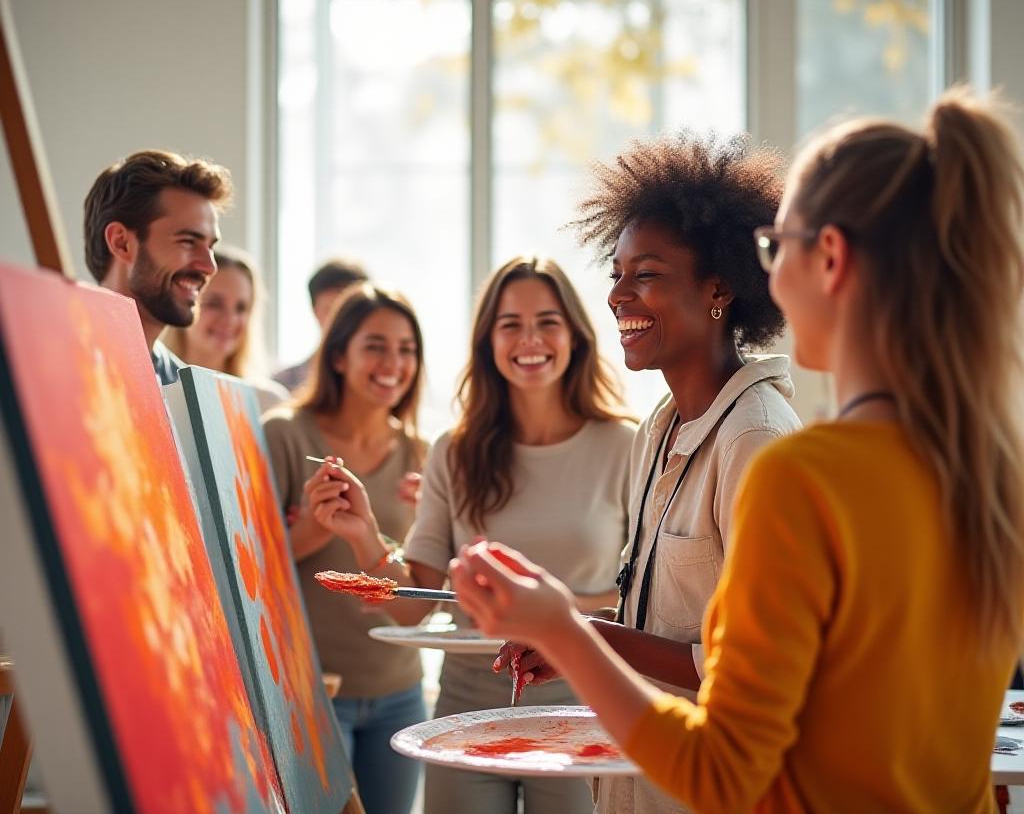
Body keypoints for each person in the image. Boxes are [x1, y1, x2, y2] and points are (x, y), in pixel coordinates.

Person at [450, 89, 1024, 813]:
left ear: (831, 258)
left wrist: (559, 626)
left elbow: (723, 772)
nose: (770, 274)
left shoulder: (799, 473)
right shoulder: (990, 475)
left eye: (774, 247)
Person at [496, 133, 800, 813]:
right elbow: (668, 617)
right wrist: (578, 638)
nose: (617, 296)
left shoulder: (757, 442)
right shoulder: (659, 427)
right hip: (638, 783)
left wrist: (580, 635)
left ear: (720, 286)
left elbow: (745, 667)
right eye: (617, 272)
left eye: (648, 274)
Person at [305, 256, 637, 814]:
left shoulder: (627, 445)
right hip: (466, 712)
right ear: (488, 341)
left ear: (576, 336)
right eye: (510, 324)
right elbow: (415, 606)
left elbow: (640, 595)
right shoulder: (453, 451)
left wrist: (549, 613)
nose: (529, 339)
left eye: (547, 321)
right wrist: (364, 534)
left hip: (582, 704)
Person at [262, 283, 427, 814]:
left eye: (406, 349)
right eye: (375, 345)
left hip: (398, 688)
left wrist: (408, 526)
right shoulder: (285, 435)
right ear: (337, 355)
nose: (393, 363)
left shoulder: (420, 453)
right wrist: (315, 527)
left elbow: (418, 585)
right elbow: (249, 568)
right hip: (308, 690)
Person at [83, 149, 233, 385]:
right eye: (187, 241)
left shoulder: (185, 390)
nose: (209, 266)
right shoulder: (52, 362)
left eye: (210, 246)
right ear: (121, 243)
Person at [162, 244, 288, 412]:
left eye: (241, 308)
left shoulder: (269, 404)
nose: (230, 320)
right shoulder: (155, 392)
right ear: (185, 305)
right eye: (214, 304)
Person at [273, 258, 369, 392]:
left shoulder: (381, 383)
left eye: (351, 313)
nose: (342, 322)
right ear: (315, 310)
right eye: (331, 311)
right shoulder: (282, 385)